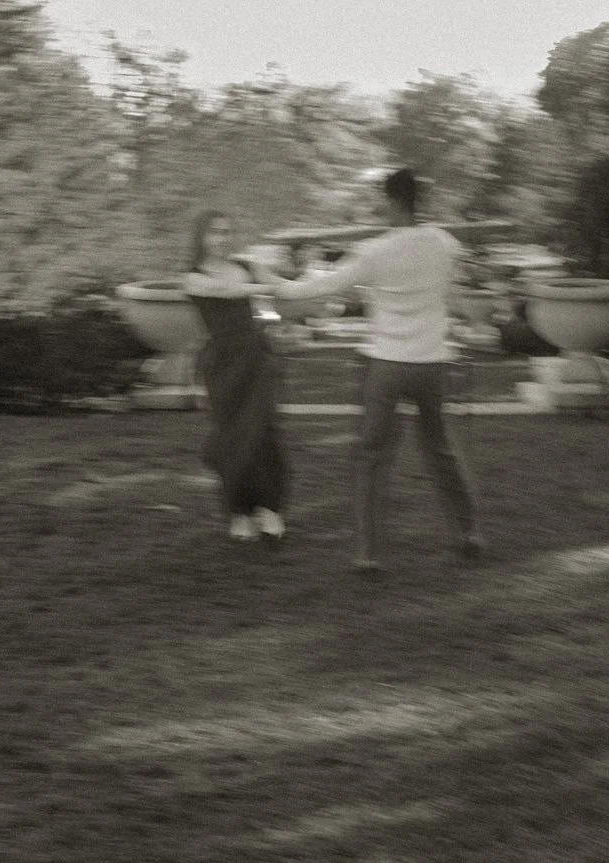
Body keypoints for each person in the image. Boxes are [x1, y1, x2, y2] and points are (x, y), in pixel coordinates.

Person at [259, 168, 480, 573]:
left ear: (393, 202)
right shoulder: (445, 245)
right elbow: (455, 290)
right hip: (431, 365)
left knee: (372, 458)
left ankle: (368, 554)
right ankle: (468, 533)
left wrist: (265, 277)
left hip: (387, 366)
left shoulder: (373, 252)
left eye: (383, 201)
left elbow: (311, 289)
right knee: (442, 451)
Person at [181, 212, 288, 545]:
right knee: (231, 434)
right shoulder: (193, 278)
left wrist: (333, 288)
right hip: (223, 364)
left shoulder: (246, 265)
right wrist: (264, 285)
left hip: (255, 358)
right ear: (202, 236)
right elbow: (226, 291)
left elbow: (286, 286)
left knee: (263, 431)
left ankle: (269, 509)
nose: (223, 238)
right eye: (215, 232)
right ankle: (239, 511)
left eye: (228, 232)